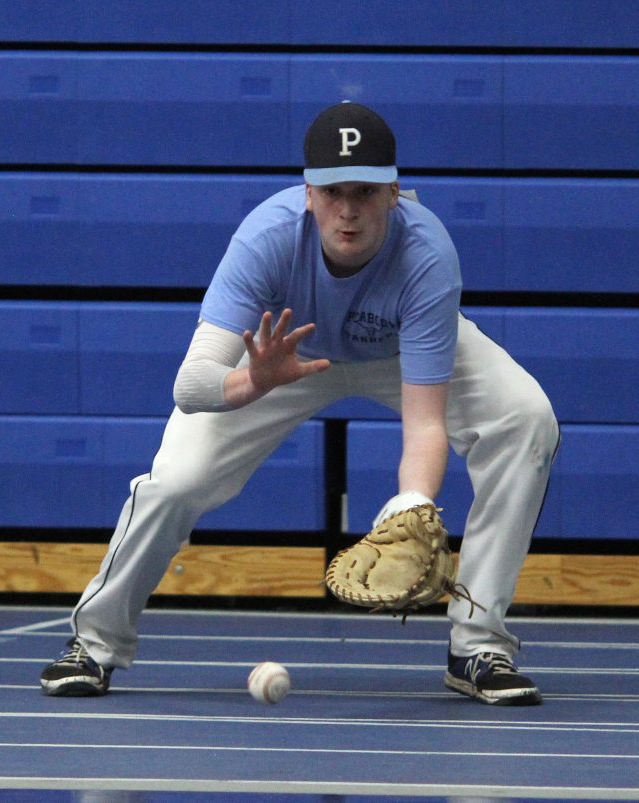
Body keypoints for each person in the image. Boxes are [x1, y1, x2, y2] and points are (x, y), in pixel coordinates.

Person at [40, 101, 560, 705]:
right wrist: (254, 380)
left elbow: (425, 423)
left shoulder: (426, 255)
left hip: (397, 352)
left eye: (365, 191)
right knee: (177, 480)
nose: (348, 209)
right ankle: (95, 643)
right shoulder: (266, 238)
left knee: (526, 421)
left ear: (394, 194)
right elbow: (192, 385)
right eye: (332, 191)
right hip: (282, 356)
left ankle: (478, 644)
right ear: (307, 195)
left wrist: (411, 507)